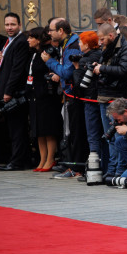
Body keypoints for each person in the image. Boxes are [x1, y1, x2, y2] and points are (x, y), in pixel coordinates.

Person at [41, 17, 87, 178]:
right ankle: (71, 165)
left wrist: (50, 62)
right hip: (69, 94)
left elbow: (68, 72)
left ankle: (75, 167)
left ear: (61, 31)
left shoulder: (73, 46)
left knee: (75, 132)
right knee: (70, 132)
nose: (49, 33)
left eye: (51, 30)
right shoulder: (66, 43)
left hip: (75, 95)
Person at [93, 22, 127, 176]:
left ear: (111, 36)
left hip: (116, 98)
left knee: (118, 137)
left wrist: (102, 68)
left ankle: (117, 170)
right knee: (109, 136)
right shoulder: (106, 48)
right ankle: (111, 170)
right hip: (103, 96)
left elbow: (124, 70)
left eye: (102, 39)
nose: (100, 43)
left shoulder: (126, 48)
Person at [0, 12, 32, 171]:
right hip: (7, 90)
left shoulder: (21, 42)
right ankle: (19, 159)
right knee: (13, 128)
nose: (9, 28)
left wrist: (8, 91)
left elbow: (17, 70)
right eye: (7, 24)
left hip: (15, 93)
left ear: (19, 25)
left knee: (17, 129)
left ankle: (18, 161)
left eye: (13, 25)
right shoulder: (9, 42)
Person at [25, 27, 63, 172]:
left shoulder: (48, 52)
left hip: (48, 97)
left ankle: (50, 159)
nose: (28, 40)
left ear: (38, 39)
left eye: (31, 37)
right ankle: (42, 159)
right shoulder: (34, 54)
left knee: (48, 129)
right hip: (35, 96)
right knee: (38, 131)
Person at [70, 31, 105, 171]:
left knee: (92, 134)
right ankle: (105, 166)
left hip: (90, 100)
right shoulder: (101, 55)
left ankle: (94, 168)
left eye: (80, 42)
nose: (78, 44)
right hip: (102, 98)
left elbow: (80, 85)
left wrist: (77, 69)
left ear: (87, 45)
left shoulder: (84, 60)